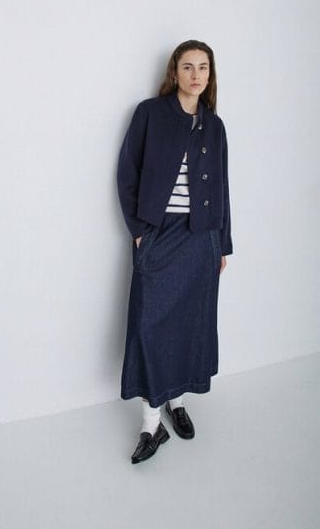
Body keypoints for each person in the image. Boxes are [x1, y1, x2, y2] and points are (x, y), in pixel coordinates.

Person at [116, 39, 233, 464]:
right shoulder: (149, 113)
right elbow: (127, 173)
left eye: (203, 67)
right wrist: (139, 231)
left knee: (190, 324)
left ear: (210, 74)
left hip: (202, 237)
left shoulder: (215, 126)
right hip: (159, 233)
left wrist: (223, 244)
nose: (196, 75)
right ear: (175, 71)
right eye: (188, 66)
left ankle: (176, 401)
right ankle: (152, 424)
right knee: (149, 326)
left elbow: (222, 188)